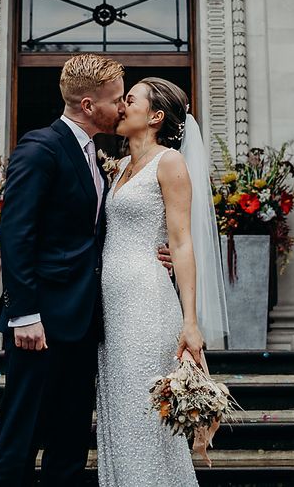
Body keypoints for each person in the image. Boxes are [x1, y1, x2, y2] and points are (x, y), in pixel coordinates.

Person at [0, 53, 125, 487]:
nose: (122, 108)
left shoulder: (94, 154)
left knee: (69, 438)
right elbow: (16, 235)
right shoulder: (40, 146)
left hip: (82, 319)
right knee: (22, 433)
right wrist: (24, 314)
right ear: (88, 105)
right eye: (116, 100)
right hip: (41, 320)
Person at [96, 77, 229, 486]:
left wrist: (191, 322)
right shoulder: (117, 167)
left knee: (145, 417)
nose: (120, 106)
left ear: (155, 116)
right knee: (119, 413)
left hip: (146, 303)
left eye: (129, 100)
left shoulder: (169, 162)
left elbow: (183, 241)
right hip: (112, 310)